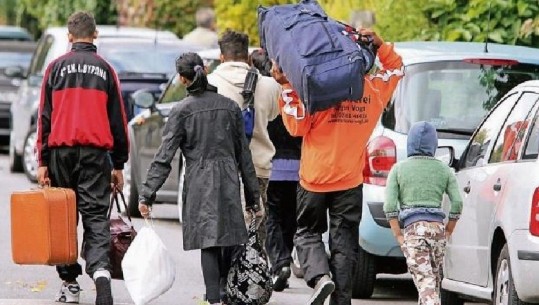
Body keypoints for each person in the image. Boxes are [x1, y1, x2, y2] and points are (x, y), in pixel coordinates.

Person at [271, 29, 404, 305]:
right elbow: (397, 68)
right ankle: (341, 301)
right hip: (350, 181)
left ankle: (320, 278)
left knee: (307, 232)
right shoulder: (375, 90)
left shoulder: (319, 88)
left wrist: (286, 87)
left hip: (314, 179)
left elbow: (296, 126)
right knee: (344, 245)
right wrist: (380, 44)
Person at [137, 52, 261, 305]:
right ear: (203, 70)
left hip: (200, 179)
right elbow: (244, 157)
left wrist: (147, 194)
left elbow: (164, 157)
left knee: (210, 241)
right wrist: (252, 197)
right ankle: (225, 293)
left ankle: (213, 297)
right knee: (228, 237)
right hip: (228, 177)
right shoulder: (230, 107)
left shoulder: (182, 111)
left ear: (183, 80)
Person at [36, 11, 128, 305]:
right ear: (95, 35)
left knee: (64, 220)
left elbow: (44, 118)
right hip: (95, 154)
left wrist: (42, 161)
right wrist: (119, 164)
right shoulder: (106, 70)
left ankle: (70, 284)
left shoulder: (54, 68)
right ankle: (102, 277)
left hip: (61, 154)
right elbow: (118, 121)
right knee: (94, 217)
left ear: (69, 36)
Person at [208, 30, 281, 248]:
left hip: (220, 169)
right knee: (256, 234)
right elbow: (274, 115)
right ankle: (253, 277)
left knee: (222, 232)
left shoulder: (209, 84)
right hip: (258, 168)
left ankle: (225, 277)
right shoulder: (269, 85)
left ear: (222, 57)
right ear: (248, 57)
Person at [384, 121, 462, 305]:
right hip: (438, 231)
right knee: (431, 283)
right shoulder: (445, 170)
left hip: (413, 232)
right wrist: (449, 229)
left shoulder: (398, 169)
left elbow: (389, 205)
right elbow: (457, 202)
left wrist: (398, 235)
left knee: (426, 285)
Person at [251, 48, 302, 292]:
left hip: (272, 167)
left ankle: (280, 262)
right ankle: (284, 259)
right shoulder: (296, 91)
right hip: (298, 168)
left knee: (271, 218)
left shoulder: (261, 95)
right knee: (290, 217)